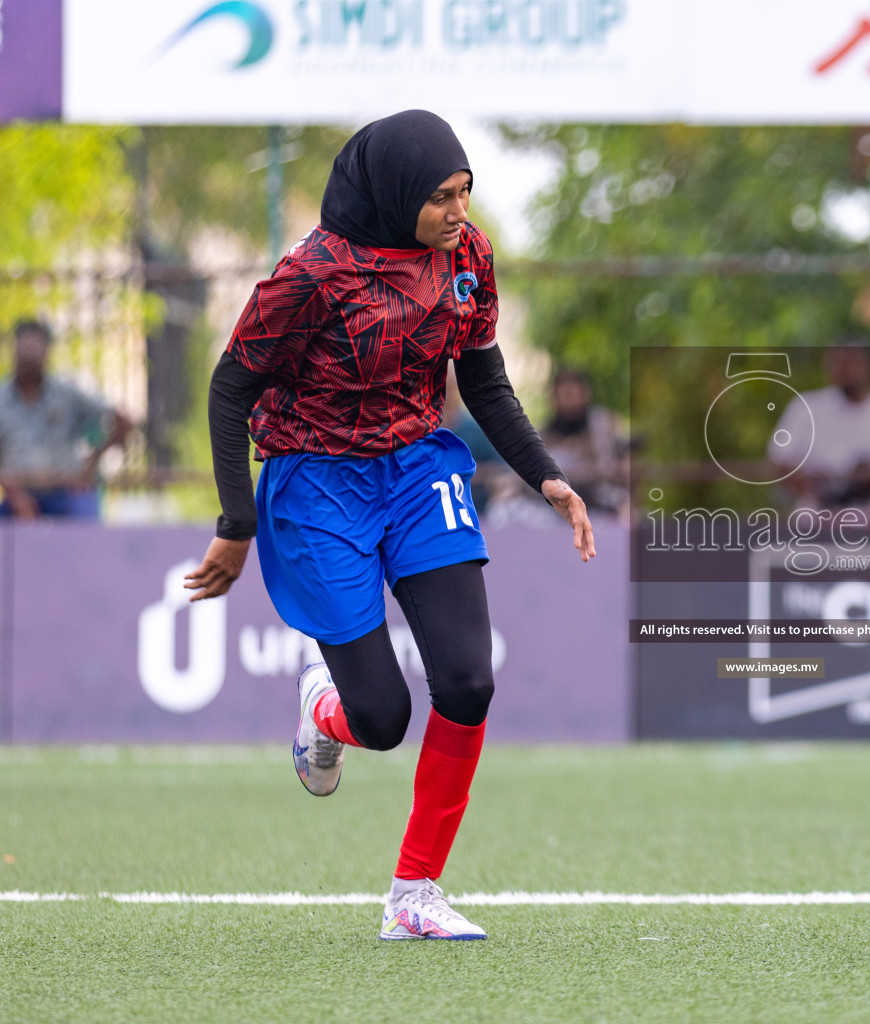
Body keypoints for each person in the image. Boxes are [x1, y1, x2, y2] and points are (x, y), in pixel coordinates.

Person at [183, 110, 595, 941]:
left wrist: (546, 475)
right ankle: (324, 711)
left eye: (466, 193)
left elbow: (483, 376)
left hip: (417, 469)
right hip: (316, 481)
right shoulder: (314, 274)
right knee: (381, 718)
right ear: (399, 192)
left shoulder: (467, 257)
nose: (458, 213)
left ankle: (414, 895)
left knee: (470, 681)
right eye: (441, 197)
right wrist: (236, 522)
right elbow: (231, 388)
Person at [0, 319, 131, 518]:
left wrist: (91, 463)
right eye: (23, 352)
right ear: (14, 352)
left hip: (65, 493)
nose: (28, 360)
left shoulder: (67, 394)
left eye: (34, 352)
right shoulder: (2, 397)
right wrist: (13, 493)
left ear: (46, 354)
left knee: (83, 524)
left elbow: (122, 421)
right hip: (15, 495)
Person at [768, 340, 870, 512]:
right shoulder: (805, 408)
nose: (845, 371)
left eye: (851, 363)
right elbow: (779, 461)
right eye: (837, 364)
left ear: (869, 366)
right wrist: (813, 488)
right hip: (816, 514)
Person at [542, 368, 628, 517]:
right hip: (555, 509)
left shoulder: (603, 427)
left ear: (585, 394)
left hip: (602, 503)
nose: (569, 399)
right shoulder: (543, 436)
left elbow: (622, 464)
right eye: (564, 394)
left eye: (573, 393)